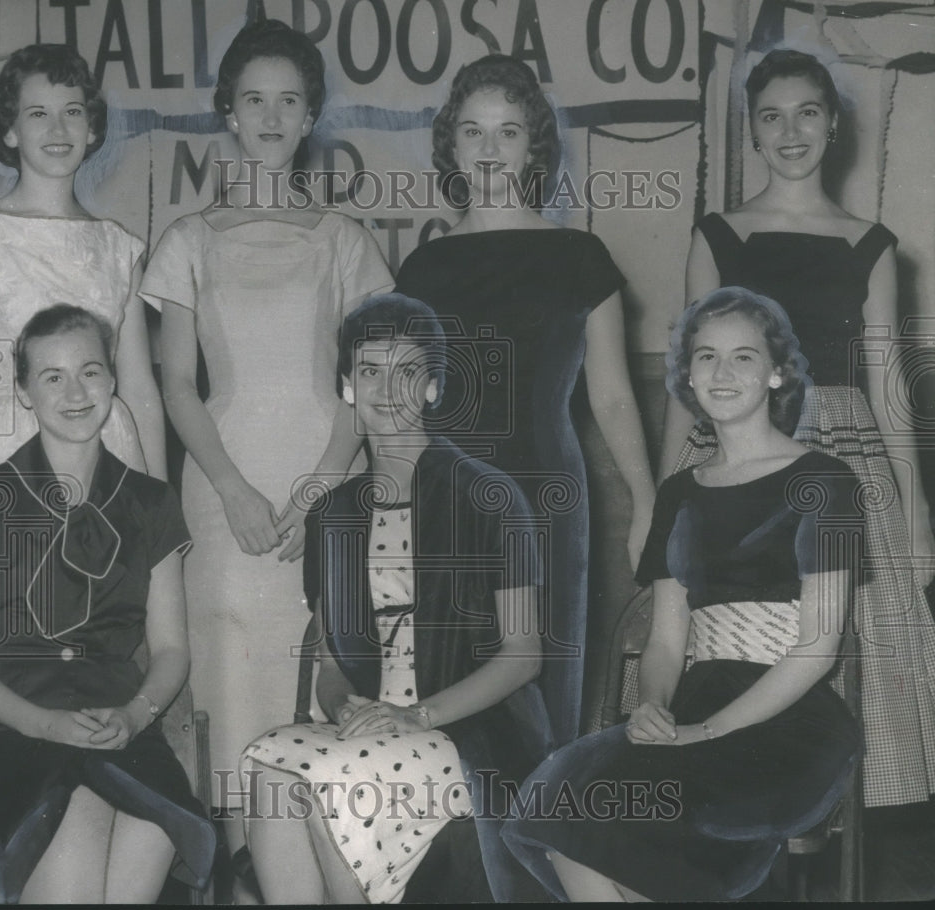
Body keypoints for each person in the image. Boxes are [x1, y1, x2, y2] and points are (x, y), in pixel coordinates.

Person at [502, 287, 862, 901]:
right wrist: (652, 705)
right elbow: (668, 640)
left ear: (777, 373)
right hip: (694, 701)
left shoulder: (824, 481)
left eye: (743, 357)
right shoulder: (678, 492)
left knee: (661, 826)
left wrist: (710, 733)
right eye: (705, 357)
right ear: (687, 374)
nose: (721, 373)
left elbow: (818, 649)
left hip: (789, 718)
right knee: (561, 801)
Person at [139, 18, 393, 858]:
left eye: (291, 100)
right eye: (256, 99)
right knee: (227, 674)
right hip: (222, 490)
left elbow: (366, 379)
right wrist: (234, 490)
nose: (273, 116)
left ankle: (308, 870)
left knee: (315, 668)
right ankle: (232, 862)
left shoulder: (346, 243)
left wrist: (323, 486)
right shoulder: (186, 241)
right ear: (229, 114)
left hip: (324, 480)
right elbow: (178, 384)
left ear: (311, 114)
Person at [659, 48, 935, 807]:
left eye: (807, 112)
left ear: (834, 124)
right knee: (722, 642)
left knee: (841, 649)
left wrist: (916, 514)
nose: (790, 131)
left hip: (844, 457)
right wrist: (661, 502)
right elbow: (688, 384)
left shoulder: (870, 244)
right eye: (771, 116)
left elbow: (886, 385)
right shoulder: (719, 236)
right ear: (751, 130)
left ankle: (820, 818)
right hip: (733, 455)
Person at [240, 293, 553, 903]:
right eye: (370, 371)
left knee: (325, 779)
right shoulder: (332, 516)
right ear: (347, 387)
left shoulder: (489, 496)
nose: (388, 389)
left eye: (408, 371)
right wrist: (347, 709)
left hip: (469, 730)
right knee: (270, 768)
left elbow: (524, 655)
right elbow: (331, 665)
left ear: (434, 388)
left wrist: (417, 715)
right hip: (370, 731)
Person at [394, 54, 655, 745]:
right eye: (473, 132)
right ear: (450, 144)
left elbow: (614, 396)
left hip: (547, 499)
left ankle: (540, 846)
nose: (489, 149)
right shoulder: (421, 269)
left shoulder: (580, 256)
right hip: (446, 498)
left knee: (545, 699)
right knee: (448, 693)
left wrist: (646, 497)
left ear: (533, 146)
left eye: (508, 132)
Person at [0, 305, 215, 904]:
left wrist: (137, 716)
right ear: (24, 392)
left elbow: (170, 649)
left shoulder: (151, 502)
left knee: (152, 826)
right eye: (52, 376)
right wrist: (44, 723)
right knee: (81, 824)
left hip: (119, 731)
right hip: (7, 731)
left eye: (90, 371)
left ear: (113, 380)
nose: (75, 391)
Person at [0, 43, 164, 516]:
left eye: (72, 112)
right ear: (10, 130)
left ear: (93, 127)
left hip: (109, 462)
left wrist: (162, 513)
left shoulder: (120, 247)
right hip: (4, 467)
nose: (58, 129)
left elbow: (140, 390)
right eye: (38, 113)